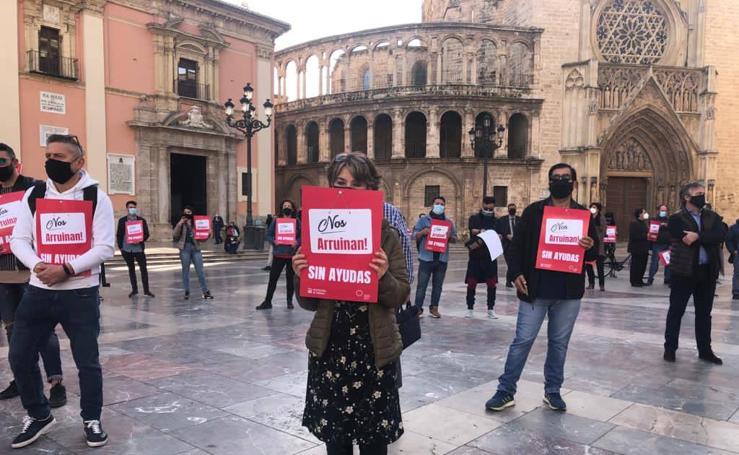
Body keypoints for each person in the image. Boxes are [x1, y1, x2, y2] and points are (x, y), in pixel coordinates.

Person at [293, 152, 409, 454]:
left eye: (356, 184)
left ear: (371, 189)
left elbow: (400, 296)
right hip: (331, 350)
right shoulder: (317, 228)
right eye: (340, 182)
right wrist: (301, 274)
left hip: (373, 353)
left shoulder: (387, 236)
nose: (346, 189)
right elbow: (308, 302)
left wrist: (383, 276)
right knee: (337, 442)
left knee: (374, 443)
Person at [9, 134, 114, 448]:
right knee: (19, 356)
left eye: (59, 157)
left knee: (87, 362)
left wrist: (66, 269)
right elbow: (18, 239)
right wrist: (38, 264)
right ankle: (39, 414)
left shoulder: (96, 197)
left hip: (80, 293)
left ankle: (91, 418)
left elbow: (105, 246)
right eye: (48, 155)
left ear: (79, 162)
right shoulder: (34, 194)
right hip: (38, 291)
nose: (51, 162)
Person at [485, 163, 597, 413]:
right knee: (522, 340)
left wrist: (589, 245)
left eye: (565, 178)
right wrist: (515, 274)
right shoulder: (534, 212)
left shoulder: (583, 216)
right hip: (534, 288)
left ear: (574, 183)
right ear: (549, 182)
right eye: (555, 177)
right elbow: (516, 248)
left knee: (559, 343)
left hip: (568, 293)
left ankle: (553, 391)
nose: (560, 181)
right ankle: (505, 391)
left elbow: (594, 251)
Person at [0, 143, 66, 408]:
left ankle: (56, 383)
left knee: (44, 331)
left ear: (15, 162)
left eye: (2, 161)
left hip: (33, 272)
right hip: (3, 275)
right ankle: (22, 379)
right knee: (13, 331)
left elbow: (53, 220)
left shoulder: (35, 189)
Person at [663, 182, 727, 365]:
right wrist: (707, 237)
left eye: (703, 193)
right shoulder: (676, 219)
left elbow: (721, 234)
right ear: (687, 197)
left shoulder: (712, 216)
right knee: (676, 311)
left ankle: (705, 351)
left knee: (704, 314)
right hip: (683, 272)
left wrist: (698, 236)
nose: (702, 196)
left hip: (707, 271)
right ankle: (670, 349)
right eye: (698, 193)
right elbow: (685, 239)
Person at [413, 196, 457, 318]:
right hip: (426, 259)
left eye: (442, 204)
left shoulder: (448, 223)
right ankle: (417, 309)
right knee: (422, 286)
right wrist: (423, 232)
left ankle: (434, 308)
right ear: (432, 205)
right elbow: (414, 235)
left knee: (438, 286)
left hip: (442, 259)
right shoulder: (424, 220)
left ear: (444, 206)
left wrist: (449, 237)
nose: (439, 206)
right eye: (437, 203)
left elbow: (455, 238)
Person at [256, 200, 300, 310]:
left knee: (290, 280)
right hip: (278, 255)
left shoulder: (297, 222)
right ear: (282, 208)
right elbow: (269, 234)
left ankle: (289, 301)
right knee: (273, 279)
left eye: (289, 206)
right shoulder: (276, 221)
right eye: (285, 205)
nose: (287, 207)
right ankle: (267, 301)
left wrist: (297, 242)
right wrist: (274, 241)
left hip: (291, 255)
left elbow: (302, 236)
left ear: (293, 209)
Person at [466, 197, 500, 319]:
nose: (488, 210)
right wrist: (485, 232)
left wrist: (483, 233)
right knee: (471, 283)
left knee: (491, 284)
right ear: (482, 205)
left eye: (490, 208)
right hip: (476, 256)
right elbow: (473, 231)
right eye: (486, 208)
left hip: (490, 256)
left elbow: (499, 235)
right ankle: (470, 308)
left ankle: (491, 309)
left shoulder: (496, 220)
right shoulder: (474, 218)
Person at [173, 206, 214, 300]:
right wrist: (180, 223)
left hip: (196, 248)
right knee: (185, 271)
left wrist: (208, 234)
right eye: (185, 212)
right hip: (184, 248)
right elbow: (175, 235)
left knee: (200, 271)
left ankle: (205, 291)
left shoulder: (197, 223)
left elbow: (202, 239)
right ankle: (186, 291)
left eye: (189, 212)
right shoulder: (181, 223)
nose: (187, 214)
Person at [116, 200, 154, 298]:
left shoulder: (141, 220)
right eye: (130, 207)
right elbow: (119, 235)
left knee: (143, 269)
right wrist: (121, 247)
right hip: (127, 249)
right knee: (131, 269)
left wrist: (140, 240)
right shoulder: (122, 220)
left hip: (139, 249)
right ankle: (134, 290)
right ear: (127, 209)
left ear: (135, 208)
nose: (132, 209)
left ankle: (146, 290)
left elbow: (146, 234)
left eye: (133, 207)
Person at [646, 204, 671, 286]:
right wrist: (659, 225)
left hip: (667, 243)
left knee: (667, 262)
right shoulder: (654, 219)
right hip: (657, 244)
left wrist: (667, 225)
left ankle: (667, 279)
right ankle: (650, 278)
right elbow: (651, 229)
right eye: (662, 210)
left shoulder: (670, 220)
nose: (663, 212)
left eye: (665, 210)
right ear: (658, 211)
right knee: (654, 262)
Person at [496, 203, 521, 288]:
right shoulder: (502, 220)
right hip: (507, 245)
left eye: (514, 209)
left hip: (517, 245)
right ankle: (509, 280)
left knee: (514, 262)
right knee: (510, 263)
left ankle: (510, 280)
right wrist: (506, 235)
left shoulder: (519, 219)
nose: (512, 210)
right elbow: (500, 230)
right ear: (508, 210)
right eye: (511, 209)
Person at [585, 203, 606, 291]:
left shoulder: (601, 218)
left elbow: (603, 231)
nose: (592, 209)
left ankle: (601, 284)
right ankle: (591, 283)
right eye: (591, 207)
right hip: (589, 245)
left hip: (598, 245)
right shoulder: (587, 217)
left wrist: (596, 239)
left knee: (600, 266)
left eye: (594, 207)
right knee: (589, 265)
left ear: (598, 209)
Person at [628, 208, 650, 287]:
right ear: (639, 214)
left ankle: (640, 280)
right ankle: (634, 281)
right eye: (644, 212)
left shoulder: (644, 223)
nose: (645, 214)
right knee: (636, 265)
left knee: (642, 265)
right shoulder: (634, 223)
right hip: (636, 248)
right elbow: (634, 236)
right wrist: (645, 235)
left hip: (644, 248)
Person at [726, 219, 739, 300]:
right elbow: (728, 239)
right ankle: (736, 292)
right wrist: (733, 251)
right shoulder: (734, 228)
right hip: (738, 254)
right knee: (737, 273)